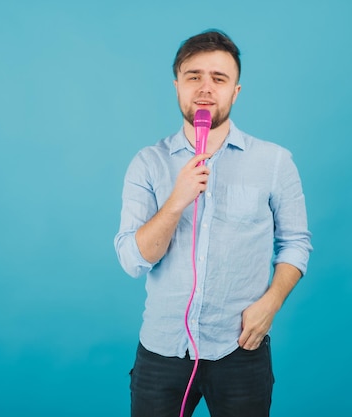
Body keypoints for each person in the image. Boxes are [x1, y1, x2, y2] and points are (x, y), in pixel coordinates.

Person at [114, 29, 312, 417]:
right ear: (177, 87)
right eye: (194, 77)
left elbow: (296, 244)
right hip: (161, 353)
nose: (205, 88)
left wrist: (271, 304)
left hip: (240, 350)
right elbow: (132, 260)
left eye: (219, 78)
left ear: (235, 91)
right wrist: (176, 200)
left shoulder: (275, 162)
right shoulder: (147, 163)